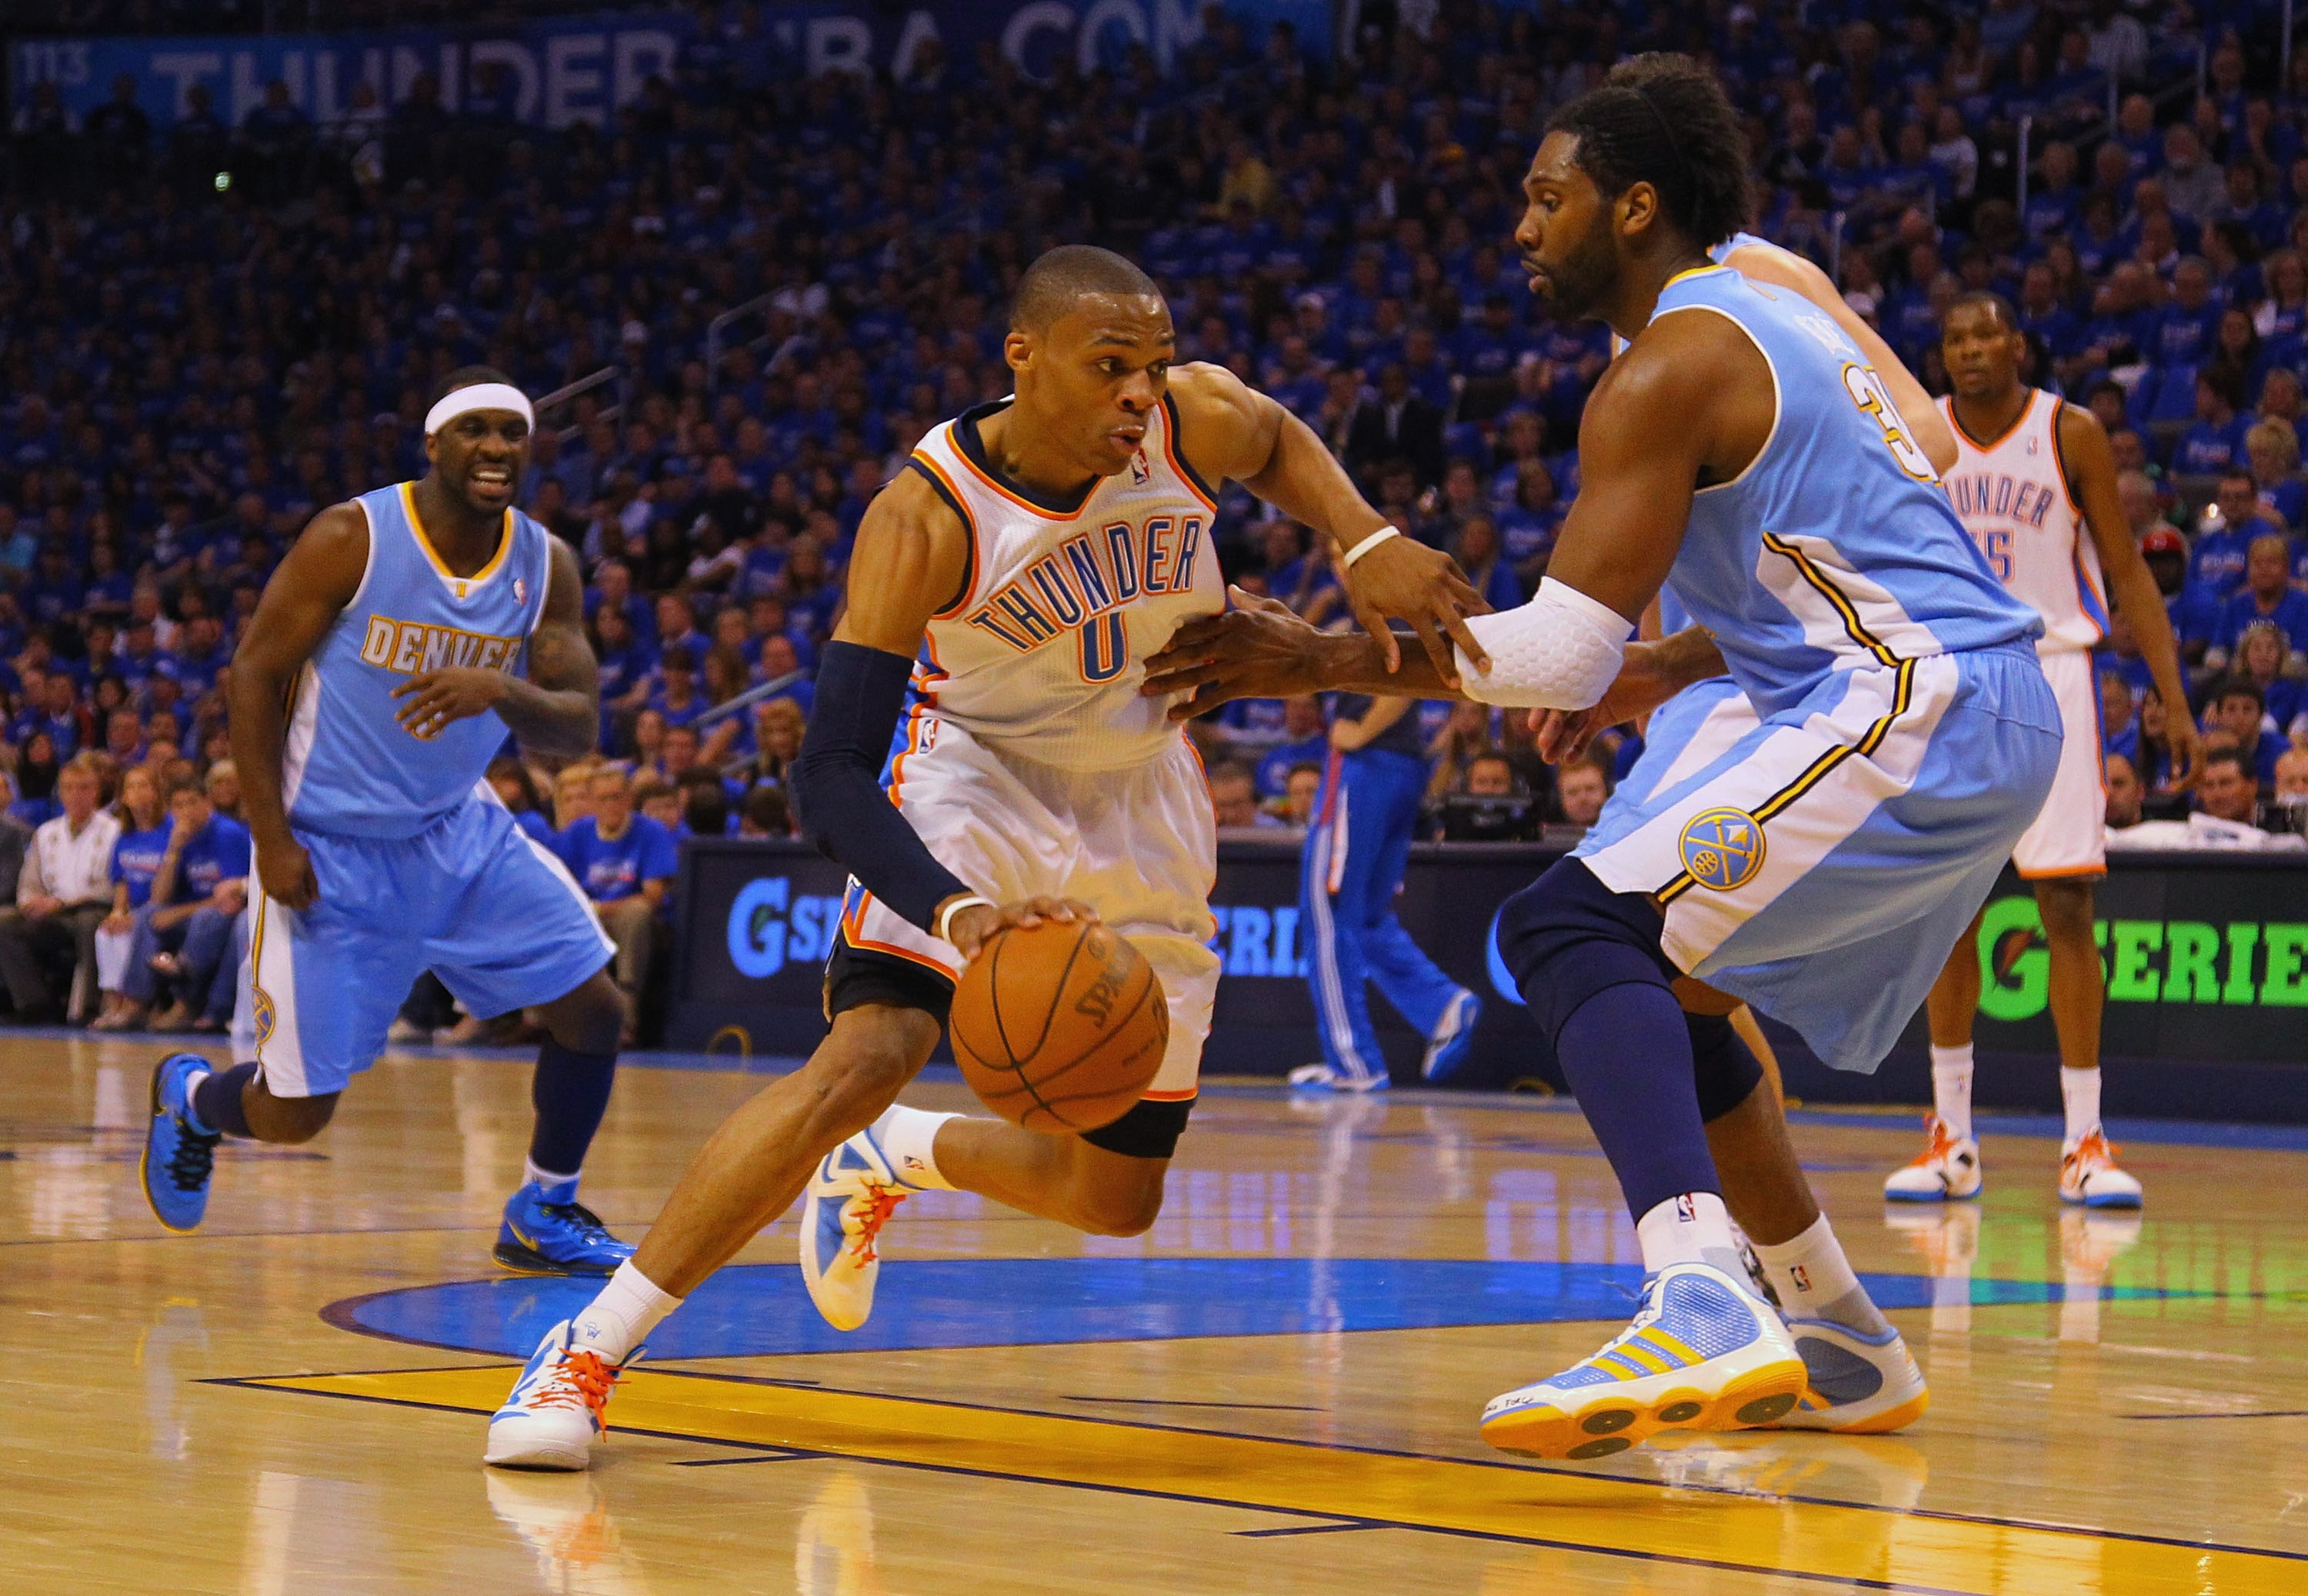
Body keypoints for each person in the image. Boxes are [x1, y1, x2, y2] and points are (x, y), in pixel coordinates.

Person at [1141, 56, 2059, 1461]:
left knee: (1570, 926)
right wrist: (1678, 663)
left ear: (1635, 208)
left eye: (1544, 197)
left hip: (1922, 701)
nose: (1521, 227)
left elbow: (1556, 660)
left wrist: (1319, 654)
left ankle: (1697, 1288)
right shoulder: (1765, 319)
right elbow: (1861, 544)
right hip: (1961, 697)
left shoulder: (1670, 364)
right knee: (1671, 991)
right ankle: (1837, 1332)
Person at [485, 243, 1489, 1470]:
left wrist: (1363, 533)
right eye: (1109, 365)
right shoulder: (930, 513)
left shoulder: (1192, 420)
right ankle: (587, 1347)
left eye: (1153, 365)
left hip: (1144, 788)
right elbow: (831, 769)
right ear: (1023, 357)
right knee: (867, 1051)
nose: (1139, 393)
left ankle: (899, 1153)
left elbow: (1275, 438)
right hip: (976, 770)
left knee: (1118, 1201)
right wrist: (958, 913)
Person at [139, 369, 635, 1281]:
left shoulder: (544, 563)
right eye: (477, 431)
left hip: (458, 832)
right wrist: (272, 837)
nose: (497, 449)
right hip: (328, 847)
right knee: (296, 1114)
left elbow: (576, 726)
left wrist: (501, 688)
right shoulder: (350, 538)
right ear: (435, 444)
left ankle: (544, 1207)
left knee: (595, 1008)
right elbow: (251, 676)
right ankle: (197, 1101)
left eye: (514, 434)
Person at [1894, 293, 2202, 1212]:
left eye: (1985, 333)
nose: (1969, 349)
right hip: (1948, 679)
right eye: (1953, 337)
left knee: (2065, 901)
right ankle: (1950, 1137)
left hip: (2053, 669)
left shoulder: (2069, 433)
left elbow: (2126, 567)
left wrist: (2172, 694)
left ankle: (2084, 1139)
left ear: (2018, 344)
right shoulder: (1916, 431)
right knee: (1947, 908)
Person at [1292, 692, 1482, 1093]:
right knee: (1366, 917)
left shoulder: (1382, 626)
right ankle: (1441, 1006)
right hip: (1402, 767)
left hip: (1365, 765)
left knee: (1328, 914)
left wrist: (1362, 730)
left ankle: (1352, 1063)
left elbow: (1399, 673)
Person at [112, 775, 250, 1032]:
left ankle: (185, 1006)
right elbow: (159, 898)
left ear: (207, 803)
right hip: (196, 913)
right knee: (146, 914)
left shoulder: (227, 834)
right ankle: (136, 1005)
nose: (186, 811)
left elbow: (229, 899)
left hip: (228, 914)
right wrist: (173, 849)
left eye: (192, 803)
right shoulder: (179, 835)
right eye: (178, 805)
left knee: (206, 917)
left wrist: (177, 914)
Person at [557, 765, 679, 1044]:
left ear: (629, 799)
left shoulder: (651, 832)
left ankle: (626, 1018)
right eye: (603, 799)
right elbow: (560, 884)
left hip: (633, 920)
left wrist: (600, 909)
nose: (611, 805)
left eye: (617, 797)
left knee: (637, 913)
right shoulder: (579, 832)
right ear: (593, 803)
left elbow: (653, 896)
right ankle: (542, 1018)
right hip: (588, 915)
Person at [0, 755, 121, 1024]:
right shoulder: (46, 832)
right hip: (51, 914)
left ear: (96, 792)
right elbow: (28, 882)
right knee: (5, 924)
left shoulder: (115, 831)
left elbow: (112, 887)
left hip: (93, 909)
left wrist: (63, 903)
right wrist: (31, 902)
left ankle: (86, 1007)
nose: (76, 795)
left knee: (90, 923)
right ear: (61, 792)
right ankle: (35, 1004)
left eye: (84, 788)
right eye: (69, 788)